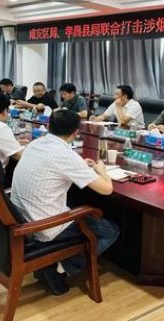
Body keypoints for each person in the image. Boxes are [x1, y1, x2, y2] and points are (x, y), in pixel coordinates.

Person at [11, 109, 119, 295]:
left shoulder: (36, 143)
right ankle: (61, 267)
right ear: (76, 133)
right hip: (46, 226)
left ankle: (53, 263)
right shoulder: (65, 155)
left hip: (22, 218)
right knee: (111, 231)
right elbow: (107, 189)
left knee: (75, 201)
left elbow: (55, 165)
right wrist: (102, 171)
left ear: (48, 126)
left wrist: (79, 165)